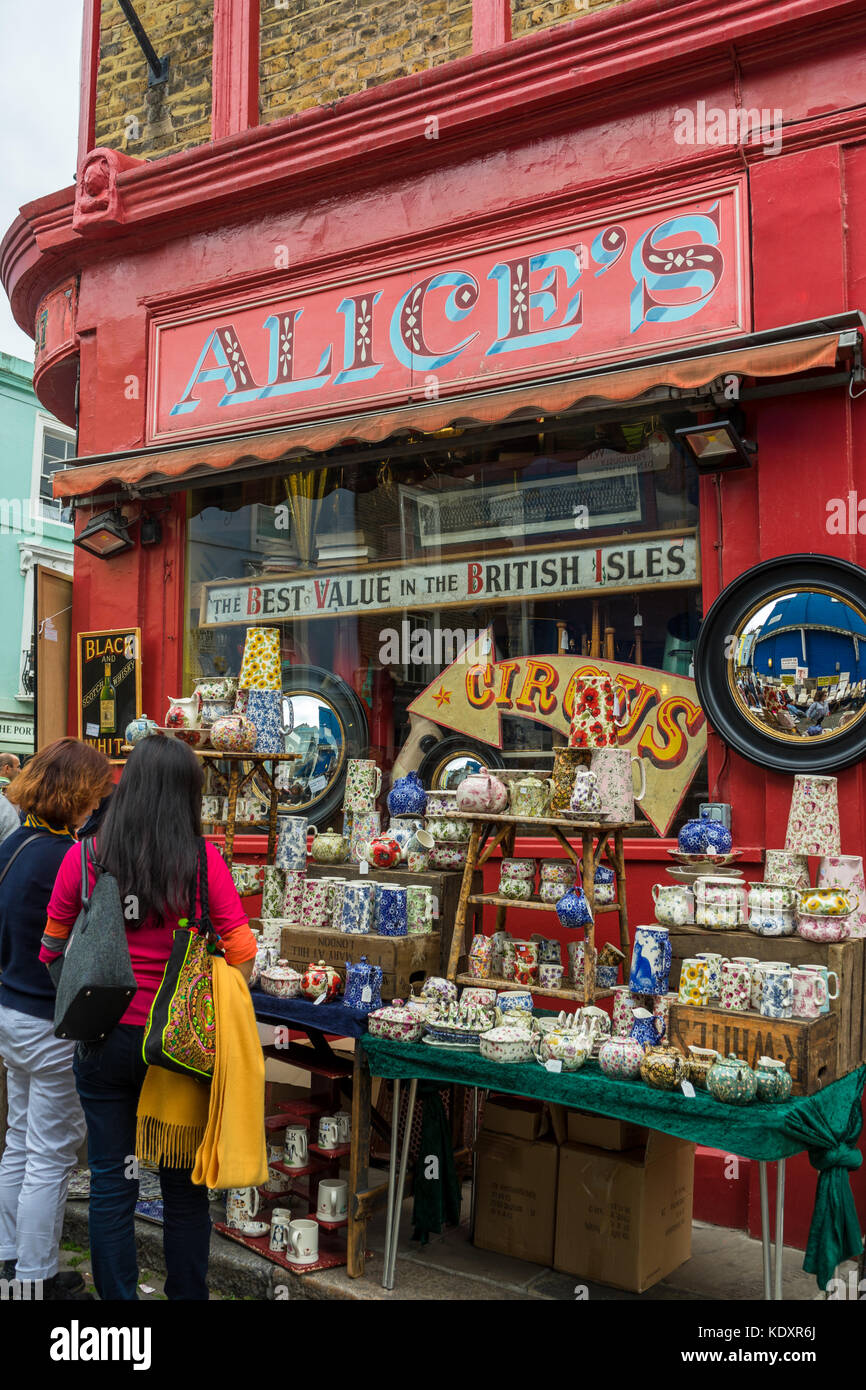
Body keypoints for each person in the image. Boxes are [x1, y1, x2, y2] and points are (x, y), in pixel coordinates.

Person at [40, 735, 257, 1301]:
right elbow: (241, 952)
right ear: (186, 794)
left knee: (113, 1184)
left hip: (104, 1040)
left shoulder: (84, 857)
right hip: (178, 1050)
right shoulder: (202, 862)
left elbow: (50, 948)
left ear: (128, 785)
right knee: (184, 1192)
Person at [0, 737, 114, 1298]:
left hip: (10, 1011)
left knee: (18, 1140)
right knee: (49, 1154)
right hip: (48, 1020)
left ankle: (8, 1258)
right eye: (94, 795)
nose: (97, 804)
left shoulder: (13, 844)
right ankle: (34, 1279)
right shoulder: (67, 855)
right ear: (77, 795)